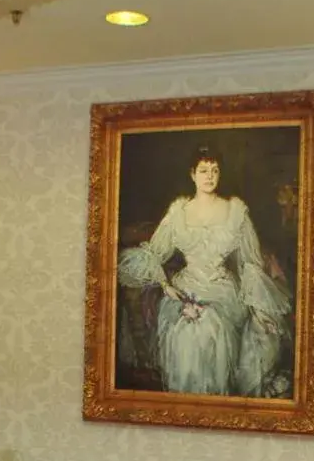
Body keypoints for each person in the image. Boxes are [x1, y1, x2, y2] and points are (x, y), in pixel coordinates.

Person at [117, 147, 292, 397]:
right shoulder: (179, 212)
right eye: (203, 171)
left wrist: (257, 308)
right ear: (192, 174)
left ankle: (215, 405)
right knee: (186, 332)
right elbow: (154, 254)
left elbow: (249, 264)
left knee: (213, 327)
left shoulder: (235, 212)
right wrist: (165, 285)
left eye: (214, 171)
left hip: (223, 290)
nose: (209, 176)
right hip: (185, 288)